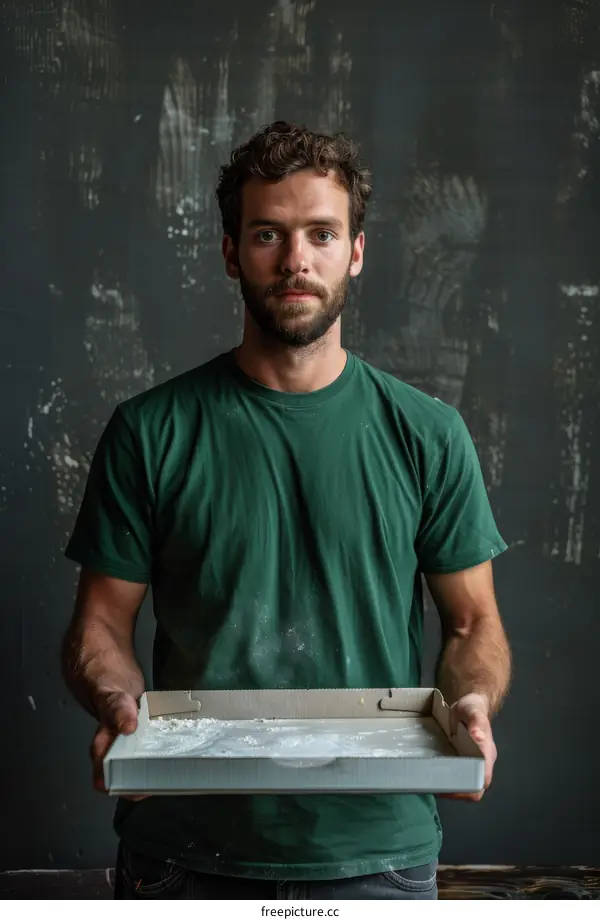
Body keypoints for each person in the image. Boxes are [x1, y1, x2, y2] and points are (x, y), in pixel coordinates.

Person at [62, 120, 511, 901]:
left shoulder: (428, 436)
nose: (296, 259)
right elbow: (101, 625)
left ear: (356, 252)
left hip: (378, 856)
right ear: (231, 252)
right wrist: (117, 703)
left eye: (321, 234)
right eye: (268, 233)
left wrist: (470, 703)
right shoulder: (150, 432)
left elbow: (474, 626)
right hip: (183, 854)